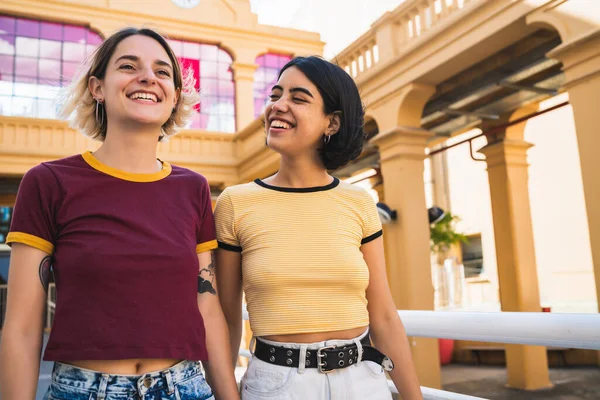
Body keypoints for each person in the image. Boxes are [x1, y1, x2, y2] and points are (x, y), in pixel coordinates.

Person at [0, 27, 239, 400]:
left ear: (175, 96)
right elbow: (21, 328)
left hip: (185, 388)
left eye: (162, 72)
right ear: (97, 87)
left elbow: (207, 308)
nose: (148, 77)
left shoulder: (193, 188)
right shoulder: (47, 183)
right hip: (83, 391)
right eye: (129, 66)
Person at [214, 56, 423, 399]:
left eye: (298, 98)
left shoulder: (359, 203)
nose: (278, 106)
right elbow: (226, 320)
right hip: (276, 385)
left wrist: (414, 397)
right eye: (275, 95)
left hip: (363, 382)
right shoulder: (236, 203)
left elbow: (383, 316)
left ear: (332, 123)